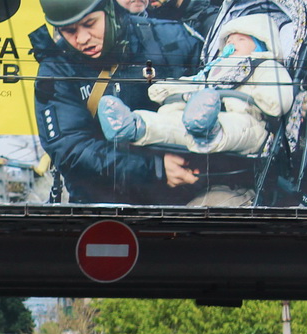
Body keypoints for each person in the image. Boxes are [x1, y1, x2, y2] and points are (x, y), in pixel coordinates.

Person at [30, 0, 204, 204]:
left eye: (89, 24)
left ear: (111, 11)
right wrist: (155, 168)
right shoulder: (57, 70)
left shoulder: (171, 39)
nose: (83, 39)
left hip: (186, 200)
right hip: (100, 208)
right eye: (69, 31)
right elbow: (70, 151)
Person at [97, 15, 292, 156]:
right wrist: (167, 88)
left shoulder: (265, 66)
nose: (232, 43)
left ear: (261, 45)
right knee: (174, 121)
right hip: (203, 117)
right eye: (229, 40)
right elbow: (197, 82)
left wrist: (263, 99)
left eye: (241, 39)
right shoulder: (217, 69)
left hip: (249, 121)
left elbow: (278, 99)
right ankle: (136, 125)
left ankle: (208, 128)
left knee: (236, 126)